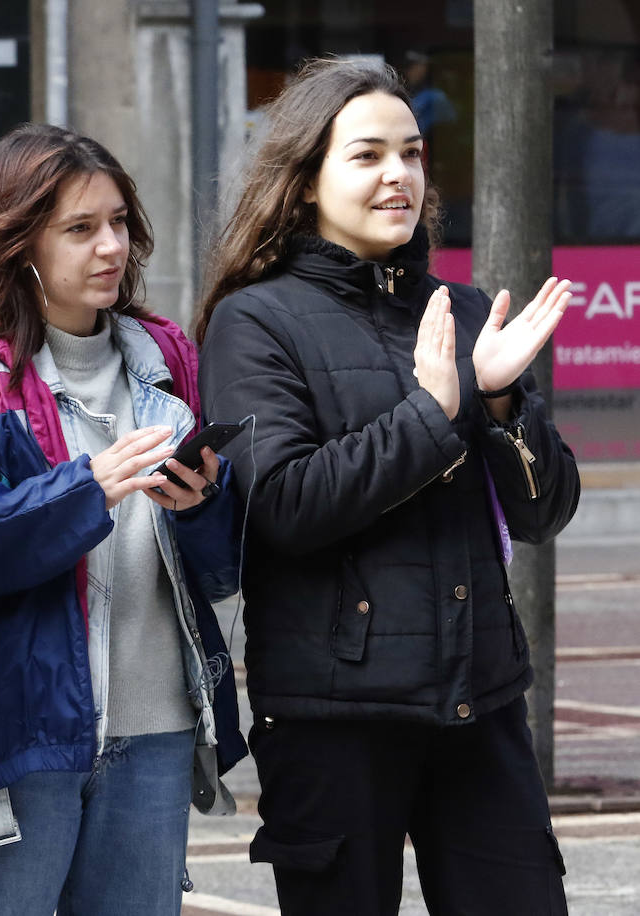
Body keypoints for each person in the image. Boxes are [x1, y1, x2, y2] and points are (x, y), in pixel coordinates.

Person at [195, 58, 578, 914]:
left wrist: (504, 402)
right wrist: (437, 414)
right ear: (305, 184)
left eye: (410, 153)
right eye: (367, 156)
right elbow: (286, 507)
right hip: (335, 715)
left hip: (480, 700)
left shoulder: (466, 309)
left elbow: (545, 510)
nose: (398, 175)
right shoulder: (255, 321)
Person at [0, 123, 247, 915]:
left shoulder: (166, 361)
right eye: (79, 229)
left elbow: (219, 576)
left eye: (118, 222)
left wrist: (203, 508)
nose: (110, 246)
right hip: (16, 742)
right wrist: (85, 491)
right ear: (20, 243)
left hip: (155, 732)